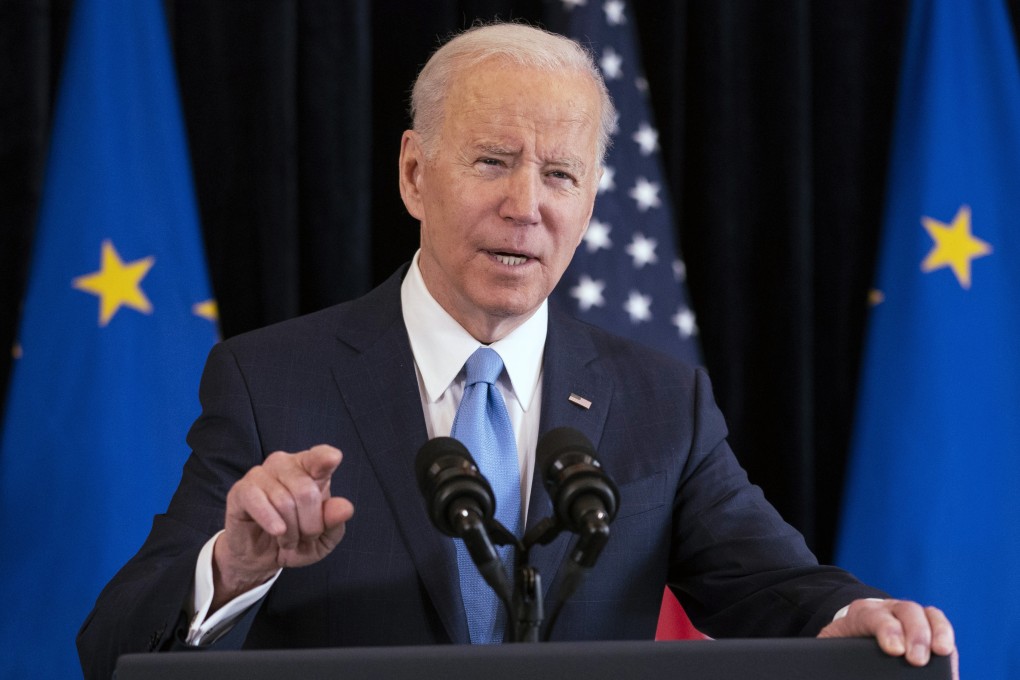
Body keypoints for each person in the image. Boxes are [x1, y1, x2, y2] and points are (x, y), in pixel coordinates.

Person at [77, 22, 957, 679]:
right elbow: (110, 646)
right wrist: (236, 567)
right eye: (494, 161)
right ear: (415, 174)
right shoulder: (272, 381)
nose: (527, 204)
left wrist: (852, 614)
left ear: (591, 202)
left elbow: (775, 584)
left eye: (562, 175)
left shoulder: (663, 400)